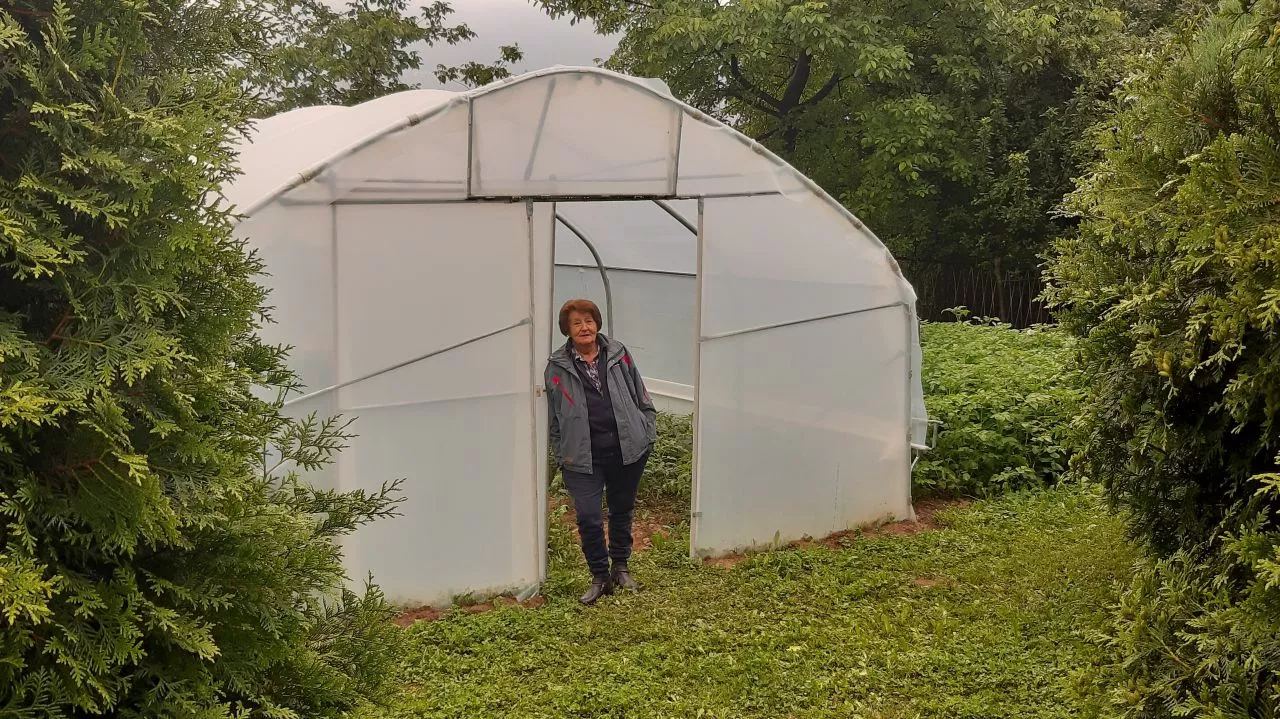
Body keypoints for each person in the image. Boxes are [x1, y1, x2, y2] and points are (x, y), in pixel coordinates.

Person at [546, 298, 658, 605]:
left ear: (597, 323)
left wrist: (647, 430)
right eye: (576, 323)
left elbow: (640, 393)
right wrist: (562, 453)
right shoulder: (557, 368)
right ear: (567, 330)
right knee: (588, 517)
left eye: (589, 321)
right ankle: (599, 576)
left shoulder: (618, 354)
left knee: (622, 510)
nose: (584, 327)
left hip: (627, 450)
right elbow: (554, 417)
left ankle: (620, 567)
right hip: (583, 457)